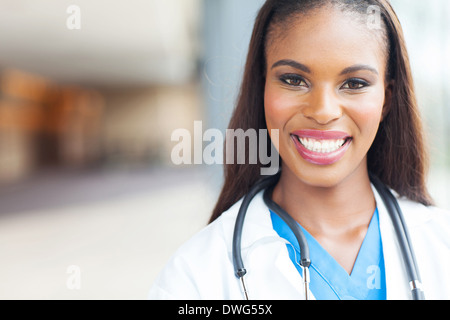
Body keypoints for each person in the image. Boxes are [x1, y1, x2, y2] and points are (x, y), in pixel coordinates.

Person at [149, 0, 450, 300]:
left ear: (386, 98)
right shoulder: (195, 277)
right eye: (294, 80)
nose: (322, 111)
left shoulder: (440, 245)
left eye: (354, 83)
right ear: (262, 86)